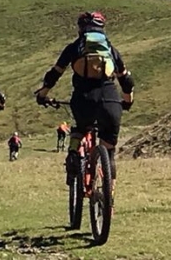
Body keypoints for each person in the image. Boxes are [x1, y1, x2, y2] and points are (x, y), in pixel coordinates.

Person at [34, 11, 134, 187]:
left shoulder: (74, 48)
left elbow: (54, 75)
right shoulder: (110, 49)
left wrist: (43, 95)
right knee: (109, 152)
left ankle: (73, 153)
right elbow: (126, 81)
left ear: (80, 29)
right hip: (110, 101)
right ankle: (108, 198)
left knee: (80, 129)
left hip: (83, 100)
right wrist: (127, 101)